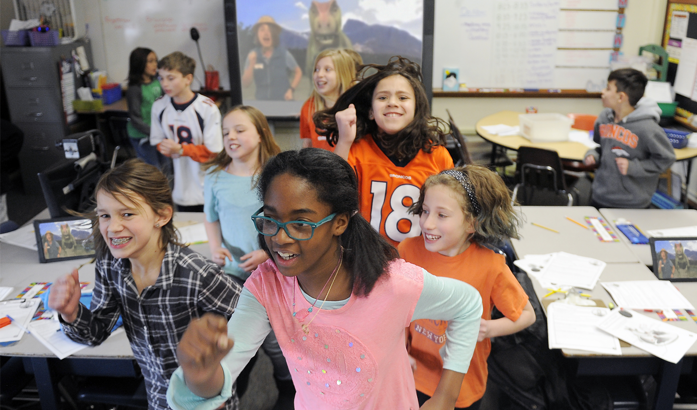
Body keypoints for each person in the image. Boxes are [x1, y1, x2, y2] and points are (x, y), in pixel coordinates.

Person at [167, 149, 483, 410]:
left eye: (301, 224)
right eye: (270, 219)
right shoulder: (267, 286)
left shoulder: (394, 284)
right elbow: (220, 377)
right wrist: (198, 373)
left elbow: (469, 305)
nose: (280, 238)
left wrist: (445, 396)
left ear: (340, 223)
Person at [47, 159, 242, 410]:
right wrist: (71, 313)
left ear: (161, 216)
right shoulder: (110, 266)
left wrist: (218, 370)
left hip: (206, 401)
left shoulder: (196, 273)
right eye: (105, 215)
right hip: (159, 399)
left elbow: (252, 320)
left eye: (127, 213)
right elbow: (96, 333)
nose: (113, 227)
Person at [401, 165, 536, 409]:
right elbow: (394, 311)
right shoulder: (407, 251)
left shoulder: (491, 266)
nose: (427, 223)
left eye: (442, 215)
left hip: (463, 386)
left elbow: (527, 315)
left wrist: (489, 328)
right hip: (411, 374)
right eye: (425, 211)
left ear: (472, 224)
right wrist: (399, 350)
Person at [202, 105, 293, 405]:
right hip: (231, 272)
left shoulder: (277, 175)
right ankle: (230, 391)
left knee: (274, 340)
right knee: (237, 335)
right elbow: (211, 217)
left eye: (239, 130)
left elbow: (286, 224)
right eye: (226, 132)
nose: (231, 137)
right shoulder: (215, 176)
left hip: (272, 268)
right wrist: (215, 246)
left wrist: (266, 255)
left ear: (260, 133)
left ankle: (287, 387)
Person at [315, 56, 454, 246]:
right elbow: (329, 197)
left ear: (416, 109)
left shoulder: (437, 156)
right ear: (371, 111)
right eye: (382, 97)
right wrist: (344, 141)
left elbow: (449, 214)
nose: (392, 103)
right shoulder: (355, 149)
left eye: (403, 97)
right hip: (364, 258)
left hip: (418, 263)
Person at [583, 68, 675, 209]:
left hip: (632, 203)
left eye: (608, 89)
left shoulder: (648, 128)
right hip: (600, 196)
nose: (603, 92)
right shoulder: (604, 118)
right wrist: (593, 154)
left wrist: (634, 167)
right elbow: (603, 148)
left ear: (621, 97)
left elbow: (666, 159)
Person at [150, 51, 223, 212]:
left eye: (171, 78)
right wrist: (166, 148)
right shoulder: (159, 106)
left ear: (188, 79)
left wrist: (181, 149)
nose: (165, 84)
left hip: (207, 186)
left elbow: (213, 152)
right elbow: (157, 141)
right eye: (161, 78)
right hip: (180, 188)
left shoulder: (207, 108)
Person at [300, 49, 360, 150]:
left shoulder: (360, 105)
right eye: (316, 69)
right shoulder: (309, 106)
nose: (319, 75)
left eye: (327, 69)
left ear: (343, 74)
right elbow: (308, 144)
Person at [241, 16, 303, 101]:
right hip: (262, 104)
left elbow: (298, 72)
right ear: (258, 35)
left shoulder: (283, 53)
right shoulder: (252, 55)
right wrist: (252, 64)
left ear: (274, 35)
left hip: (283, 102)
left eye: (270, 30)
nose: (266, 33)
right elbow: (245, 84)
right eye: (262, 30)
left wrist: (291, 90)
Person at [126, 47, 164, 168]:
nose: (155, 65)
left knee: (166, 167)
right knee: (153, 170)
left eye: (156, 61)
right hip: (143, 136)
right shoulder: (134, 89)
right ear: (140, 63)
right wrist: (155, 132)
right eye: (151, 61)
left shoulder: (159, 81)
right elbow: (136, 119)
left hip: (159, 134)